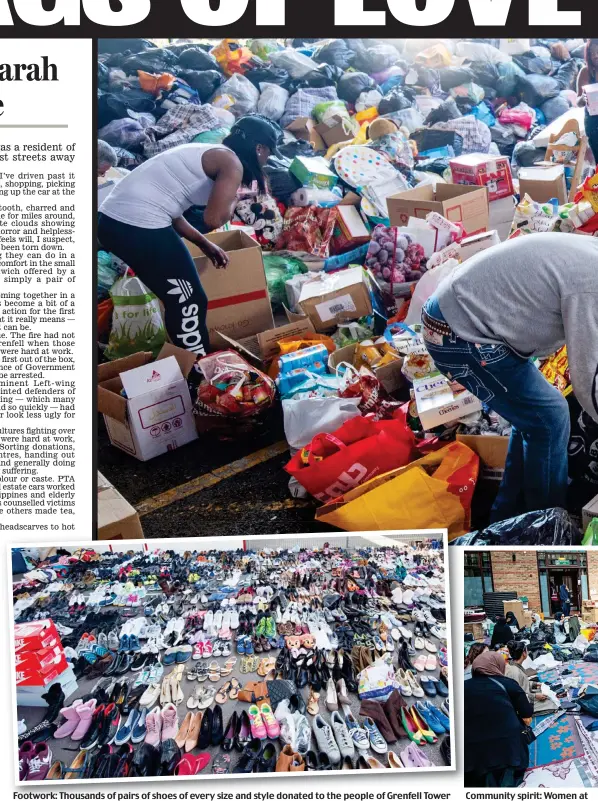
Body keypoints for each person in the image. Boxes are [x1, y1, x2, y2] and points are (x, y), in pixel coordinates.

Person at [423, 233, 598, 523]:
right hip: (460, 333)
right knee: (549, 418)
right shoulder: (591, 283)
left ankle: (506, 518)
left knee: (534, 417)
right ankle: (545, 527)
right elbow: (587, 380)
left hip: (459, 318)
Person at [98, 115, 282, 357]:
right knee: (189, 300)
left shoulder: (208, 151)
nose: (267, 159)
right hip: (135, 223)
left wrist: (204, 244)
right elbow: (213, 219)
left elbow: (173, 212)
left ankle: (186, 361)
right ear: (259, 148)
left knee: (182, 298)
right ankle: (199, 369)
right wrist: (237, 196)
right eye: (268, 153)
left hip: (115, 220)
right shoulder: (231, 163)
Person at [465, 651, 533, 787]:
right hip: (508, 751)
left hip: (472, 756)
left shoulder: (463, 686)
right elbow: (527, 713)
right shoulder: (508, 684)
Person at [506, 641, 558, 715]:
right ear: (524, 653)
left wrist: (535, 684)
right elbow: (516, 695)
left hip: (522, 693)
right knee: (552, 703)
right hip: (519, 703)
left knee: (541, 690)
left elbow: (521, 683)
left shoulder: (513, 665)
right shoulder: (515, 671)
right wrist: (535, 696)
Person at [577, 39, 598, 163]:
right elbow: (578, 102)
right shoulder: (585, 72)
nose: (595, 55)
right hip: (594, 123)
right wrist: (583, 98)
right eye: (592, 52)